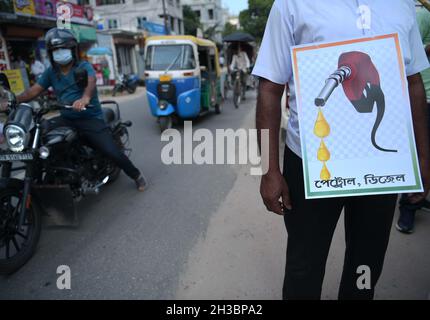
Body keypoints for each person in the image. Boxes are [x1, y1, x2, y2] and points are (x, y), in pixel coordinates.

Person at [253, 0, 430, 300]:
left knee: (366, 266)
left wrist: (424, 159)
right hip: (312, 163)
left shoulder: (402, 6)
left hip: (382, 166)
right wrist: (270, 170)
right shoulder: (291, 4)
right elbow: (270, 88)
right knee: (303, 266)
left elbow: (413, 82)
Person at [17, 28, 147, 191]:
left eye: (63, 49)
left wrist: (85, 98)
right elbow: (34, 90)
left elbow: (91, 83)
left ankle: (136, 175)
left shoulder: (83, 66)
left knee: (111, 151)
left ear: (72, 50)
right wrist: (14, 100)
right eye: (56, 50)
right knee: (40, 136)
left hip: (89, 117)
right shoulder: (51, 72)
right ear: (51, 53)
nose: (60, 53)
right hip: (67, 118)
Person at [396, 4, 430, 234]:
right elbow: (406, 57)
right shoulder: (422, 16)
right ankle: (408, 206)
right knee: (417, 155)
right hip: (424, 95)